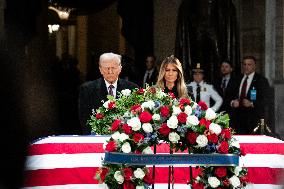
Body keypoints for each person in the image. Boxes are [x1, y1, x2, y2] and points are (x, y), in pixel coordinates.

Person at [78, 52, 139, 134]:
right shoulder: (87, 89)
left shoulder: (132, 88)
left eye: (113, 68)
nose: (110, 71)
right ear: (100, 70)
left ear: (120, 68)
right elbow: (84, 119)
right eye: (107, 68)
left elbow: (136, 117)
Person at [231, 56, 271, 134]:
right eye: (244, 64)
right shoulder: (237, 79)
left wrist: (252, 103)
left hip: (253, 119)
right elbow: (229, 95)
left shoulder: (261, 80)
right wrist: (232, 102)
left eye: (249, 64)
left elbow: (267, 99)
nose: (246, 67)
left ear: (254, 66)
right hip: (237, 119)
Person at [213, 61, 239, 127]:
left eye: (226, 67)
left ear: (231, 69)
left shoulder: (236, 81)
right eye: (222, 67)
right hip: (218, 113)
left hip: (231, 113)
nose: (224, 68)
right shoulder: (216, 81)